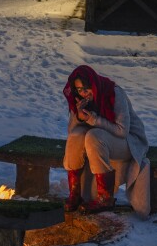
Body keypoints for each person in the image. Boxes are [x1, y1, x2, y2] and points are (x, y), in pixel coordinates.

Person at [62, 65, 149, 213]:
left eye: (86, 88)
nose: (84, 93)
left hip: (129, 141)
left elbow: (122, 131)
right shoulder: (79, 100)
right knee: (76, 136)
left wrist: (95, 120)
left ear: (93, 84)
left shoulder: (113, 93)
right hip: (103, 139)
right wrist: (78, 116)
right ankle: (75, 194)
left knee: (93, 136)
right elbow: (72, 131)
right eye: (79, 90)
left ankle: (105, 198)